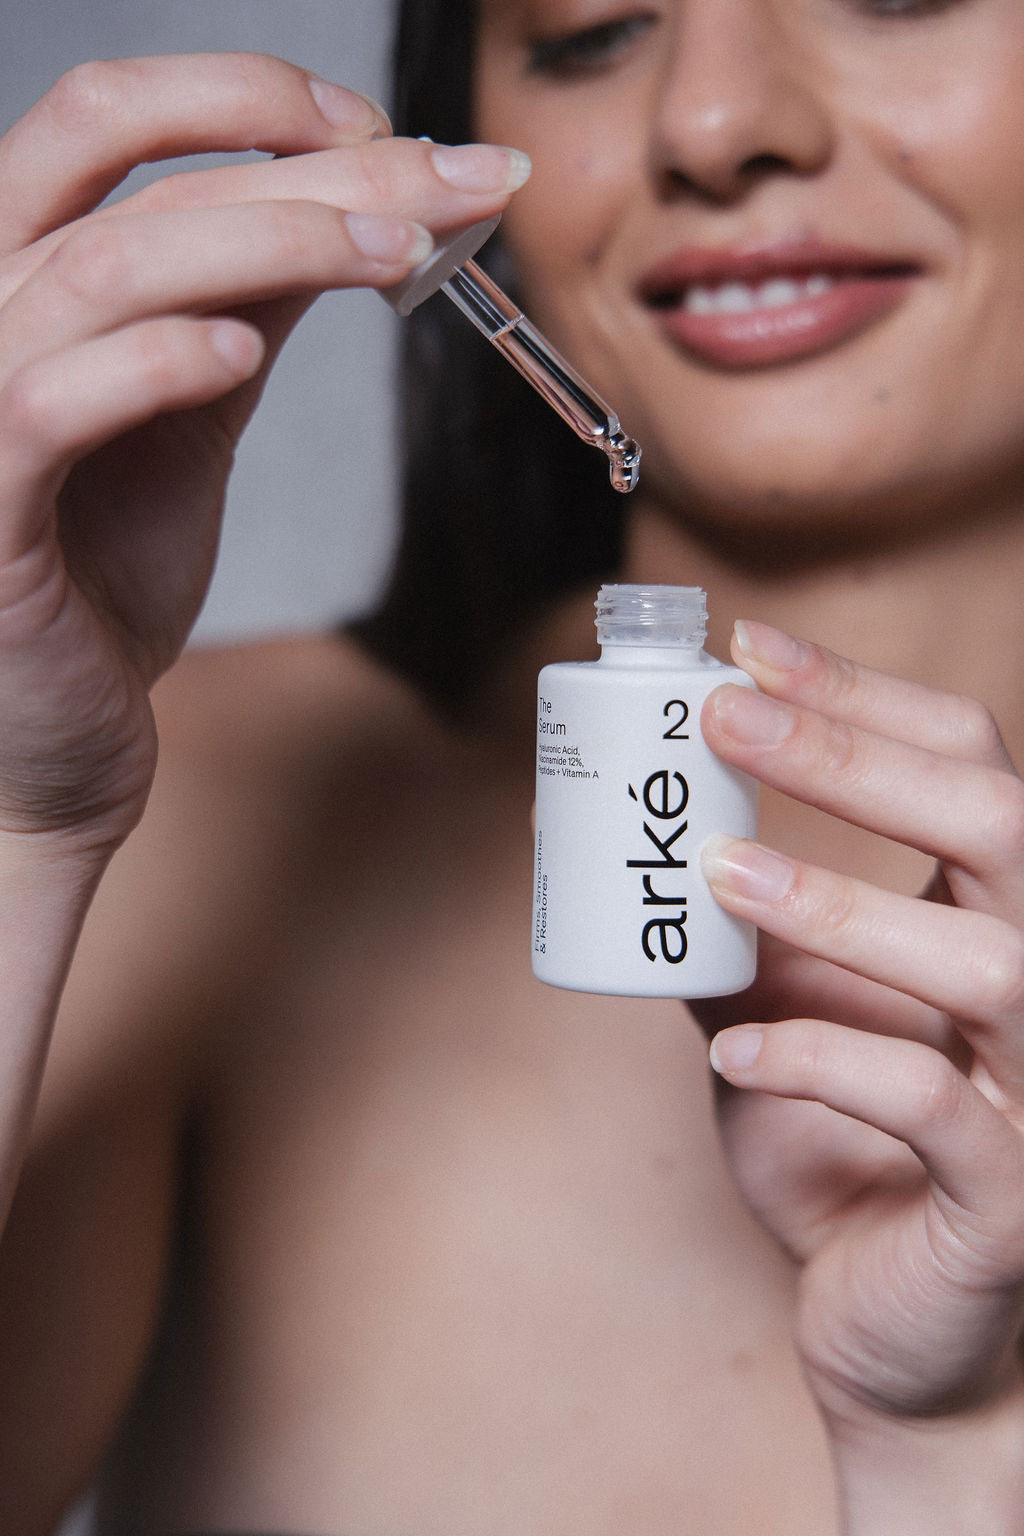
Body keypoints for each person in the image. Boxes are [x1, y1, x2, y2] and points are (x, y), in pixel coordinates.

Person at [2, 2, 1024, 1533]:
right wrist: (17, 828)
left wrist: (957, 1456)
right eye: (588, 32)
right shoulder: (173, 805)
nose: (712, 124)